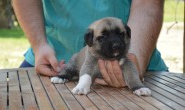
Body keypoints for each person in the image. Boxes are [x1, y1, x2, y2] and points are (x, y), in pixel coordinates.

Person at [13, 0, 168, 88]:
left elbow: (148, 3)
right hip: (53, 61)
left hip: (137, 57)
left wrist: (135, 61)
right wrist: (39, 44)